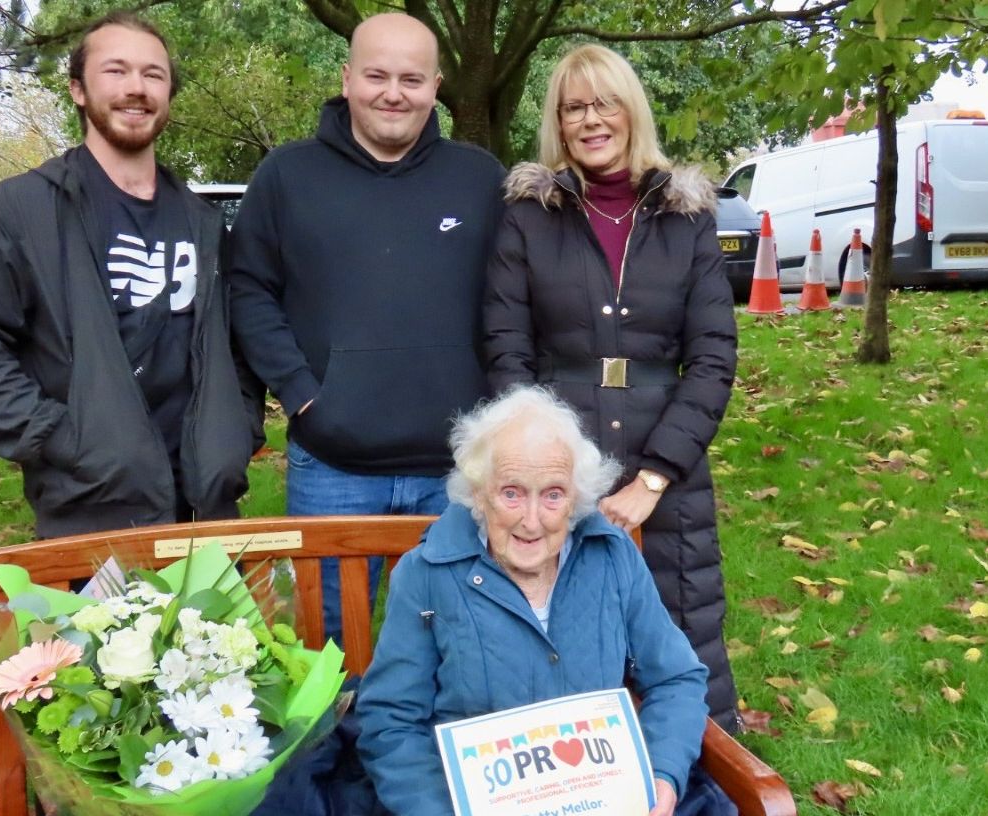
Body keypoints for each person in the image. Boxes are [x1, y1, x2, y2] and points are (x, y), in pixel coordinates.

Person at [483, 44, 741, 732]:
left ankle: (694, 784)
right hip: (559, 463)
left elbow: (713, 358)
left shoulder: (686, 219)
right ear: (558, 123)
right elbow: (507, 352)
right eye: (574, 108)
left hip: (667, 464)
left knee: (682, 633)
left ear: (631, 110)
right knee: (560, 635)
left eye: (605, 103)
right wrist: (549, 471)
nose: (591, 120)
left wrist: (652, 480)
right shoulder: (529, 217)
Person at [228, 13, 505, 642]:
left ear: (435, 87)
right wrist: (300, 392)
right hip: (334, 464)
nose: (393, 93)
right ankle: (331, 746)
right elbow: (248, 288)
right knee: (325, 652)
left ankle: (428, 745)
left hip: (458, 468)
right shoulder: (286, 176)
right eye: (377, 75)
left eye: (411, 78)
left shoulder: (480, 179)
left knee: (460, 643)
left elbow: (513, 299)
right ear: (348, 78)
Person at [0, 12, 263, 538]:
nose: (136, 88)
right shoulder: (21, 212)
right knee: (98, 628)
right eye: (116, 71)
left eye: (153, 74)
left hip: (205, 509)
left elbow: (238, 346)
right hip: (89, 509)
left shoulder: (204, 224)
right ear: (78, 90)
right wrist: (63, 439)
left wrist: (237, 431)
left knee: (214, 626)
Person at [357, 386, 712, 816]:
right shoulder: (425, 574)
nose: (531, 520)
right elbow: (391, 721)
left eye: (552, 495)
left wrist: (660, 773)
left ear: (576, 500)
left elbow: (676, 679)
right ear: (478, 493)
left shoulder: (612, 556)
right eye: (511, 492)